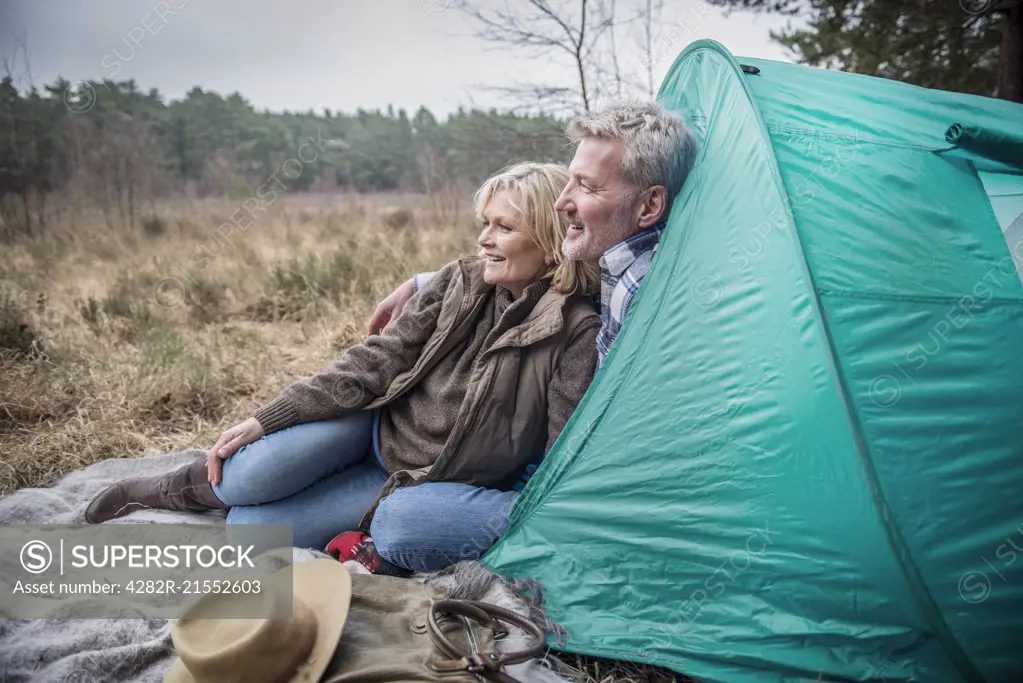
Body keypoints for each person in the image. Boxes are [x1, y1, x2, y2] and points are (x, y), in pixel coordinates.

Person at [84, 162, 601, 574]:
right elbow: (378, 359)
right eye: (484, 224)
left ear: (551, 238)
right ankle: (158, 490)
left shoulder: (573, 330)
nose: (484, 239)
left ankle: (345, 518)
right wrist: (269, 417)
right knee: (249, 471)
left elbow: (560, 451)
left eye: (503, 227)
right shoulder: (460, 283)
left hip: (418, 480)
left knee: (249, 530)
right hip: (374, 427)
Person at [369, 100, 698, 370]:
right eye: (570, 180)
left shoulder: (643, 295)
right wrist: (423, 284)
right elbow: (550, 278)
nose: (561, 201)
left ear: (649, 205)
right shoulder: (615, 264)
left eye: (586, 185)